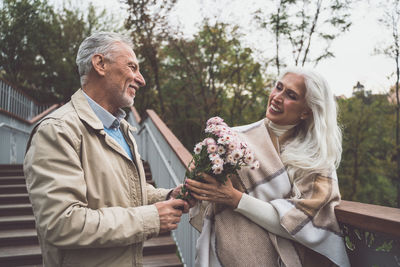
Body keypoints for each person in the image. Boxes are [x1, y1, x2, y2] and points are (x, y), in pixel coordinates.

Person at [23, 32, 189, 267]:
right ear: (100, 64)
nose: (140, 79)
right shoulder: (57, 130)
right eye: (132, 67)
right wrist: (151, 217)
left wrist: (166, 196)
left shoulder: (120, 128)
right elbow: (62, 223)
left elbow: (122, 190)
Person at [186, 68, 350, 267]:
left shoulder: (317, 159)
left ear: (306, 111)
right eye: (278, 87)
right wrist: (197, 171)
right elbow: (202, 191)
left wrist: (235, 199)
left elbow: (301, 222)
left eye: (291, 95)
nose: (277, 97)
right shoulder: (234, 139)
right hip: (228, 253)